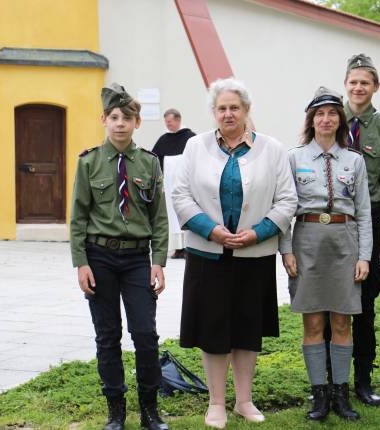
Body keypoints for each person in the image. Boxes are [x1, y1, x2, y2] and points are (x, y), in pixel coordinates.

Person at [172, 78, 297, 429]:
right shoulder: (195, 147)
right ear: (214, 112)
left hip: (252, 254)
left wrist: (258, 232)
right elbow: (180, 196)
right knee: (212, 329)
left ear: (246, 111)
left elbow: (287, 200)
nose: (228, 114)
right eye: (222, 108)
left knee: (246, 327)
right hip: (207, 253)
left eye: (235, 107)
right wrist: (210, 230)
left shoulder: (271, 149)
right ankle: (215, 404)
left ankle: (244, 400)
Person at [69, 83, 169, 430]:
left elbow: (159, 217)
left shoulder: (149, 163)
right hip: (100, 259)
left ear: (137, 122)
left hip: (137, 260)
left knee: (145, 334)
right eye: (114, 117)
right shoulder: (89, 163)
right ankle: (116, 411)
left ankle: (150, 410)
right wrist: (80, 262)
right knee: (107, 335)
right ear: (103, 120)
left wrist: (159, 262)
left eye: (128, 117)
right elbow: (78, 217)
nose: (121, 123)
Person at [280, 86, 372, 422]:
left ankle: (341, 394)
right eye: (320, 113)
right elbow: (284, 208)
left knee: (341, 320)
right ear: (311, 119)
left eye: (332, 113)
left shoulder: (355, 161)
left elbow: (364, 212)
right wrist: (286, 251)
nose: (326, 119)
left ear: (340, 120)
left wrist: (364, 256)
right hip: (307, 243)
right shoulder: (294, 158)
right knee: (314, 321)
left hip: (344, 242)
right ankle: (319, 395)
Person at [339, 53, 380, 407]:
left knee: (364, 302)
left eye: (365, 82)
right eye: (353, 82)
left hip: (369, 219)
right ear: (345, 85)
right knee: (333, 301)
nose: (358, 88)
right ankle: (333, 381)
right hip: (335, 220)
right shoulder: (330, 118)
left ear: (375, 87)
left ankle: (363, 379)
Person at [152, 109, 196, 259]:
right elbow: (155, 159)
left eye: (170, 122)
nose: (168, 125)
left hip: (186, 184)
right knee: (172, 216)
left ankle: (188, 247)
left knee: (186, 211)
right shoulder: (163, 139)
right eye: (166, 122)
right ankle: (178, 247)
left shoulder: (190, 138)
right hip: (169, 186)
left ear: (178, 120)